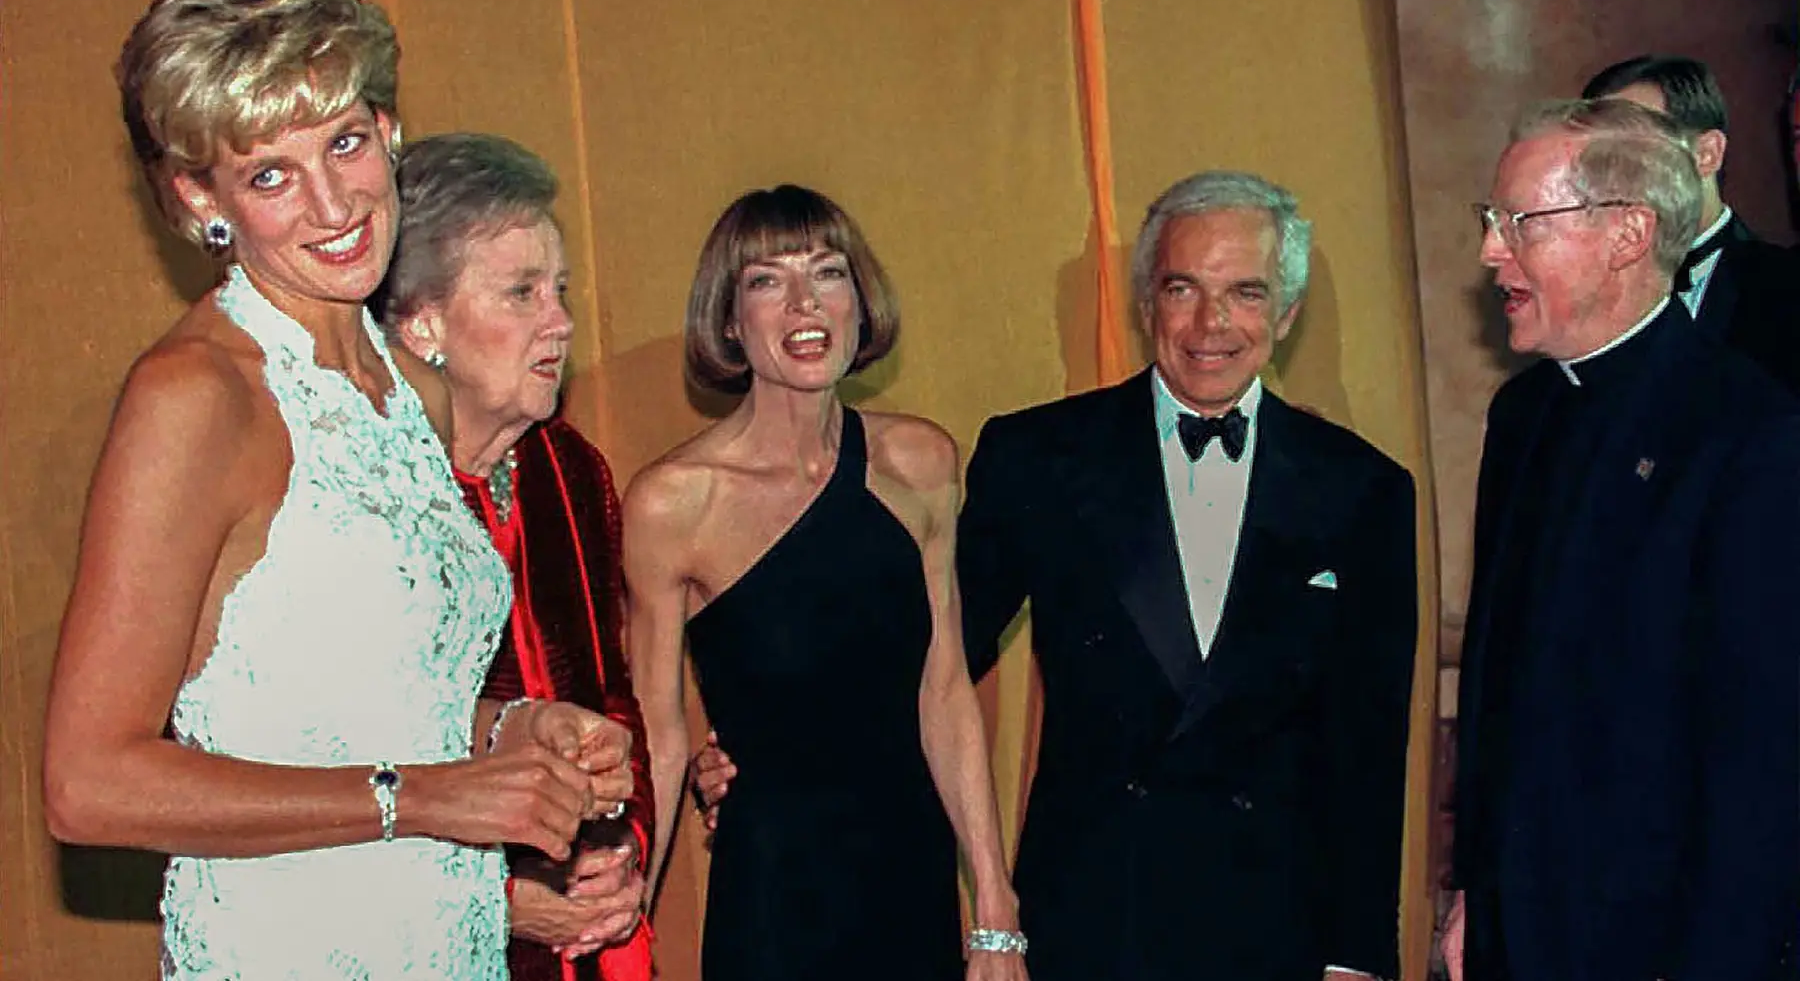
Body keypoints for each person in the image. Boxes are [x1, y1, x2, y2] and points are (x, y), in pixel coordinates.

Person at [40, 0, 631, 977]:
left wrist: (517, 733)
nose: (333, 203)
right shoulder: (198, 397)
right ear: (200, 196)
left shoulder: (413, 390)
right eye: (271, 173)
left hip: (442, 942)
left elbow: (367, 707)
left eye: (345, 143)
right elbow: (86, 784)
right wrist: (426, 796)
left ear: (389, 128)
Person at [695, 171, 1418, 981]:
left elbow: (1368, 748)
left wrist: (1358, 957)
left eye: (1245, 293)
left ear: (1285, 314)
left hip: (1274, 931)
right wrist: (769, 752)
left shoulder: (1364, 490)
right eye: (1182, 288)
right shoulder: (1040, 458)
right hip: (1091, 921)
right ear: (1146, 303)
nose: (1210, 324)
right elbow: (923, 662)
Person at [625, 185, 1027, 981]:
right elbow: (659, 741)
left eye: (827, 272)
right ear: (729, 319)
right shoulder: (673, 503)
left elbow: (945, 690)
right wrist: (624, 927)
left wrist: (995, 910)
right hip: (771, 897)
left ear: (860, 299)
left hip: (910, 881)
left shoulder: (922, 463)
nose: (804, 303)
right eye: (766, 280)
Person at [1440, 98, 1800, 981]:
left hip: (1657, 941)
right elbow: (1495, 680)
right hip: (1514, 924)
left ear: (1628, 234)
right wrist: (1473, 890)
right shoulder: (1521, 413)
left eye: (1520, 222)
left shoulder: (1748, 432)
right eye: (1491, 220)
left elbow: (1760, 756)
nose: (1490, 251)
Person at [378, 133, 654, 981]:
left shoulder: (570, 470)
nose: (561, 322)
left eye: (560, 290)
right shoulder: (363, 497)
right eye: (522, 292)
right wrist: (494, 896)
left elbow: (612, 697)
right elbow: (321, 768)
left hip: (592, 943)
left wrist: (625, 849)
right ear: (423, 322)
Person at [1583, 54, 1800, 391]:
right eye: (1599, 154)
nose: (1614, 173)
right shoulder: (1586, 295)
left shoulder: (1786, 286)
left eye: (1635, 146)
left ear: (1707, 154)